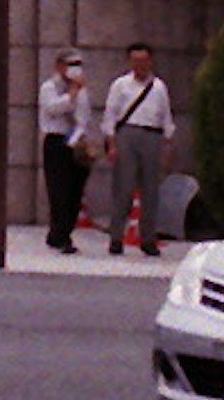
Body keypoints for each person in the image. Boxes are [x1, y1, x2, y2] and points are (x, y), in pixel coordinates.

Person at [94, 41, 177, 258]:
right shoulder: (120, 85)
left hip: (153, 136)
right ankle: (116, 238)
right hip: (127, 135)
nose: (139, 64)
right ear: (129, 62)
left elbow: (166, 118)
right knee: (123, 188)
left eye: (143, 60)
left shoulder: (159, 87)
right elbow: (110, 117)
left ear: (150, 61)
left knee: (151, 191)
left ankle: (148, 239)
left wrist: (167, 147)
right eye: (135, 60)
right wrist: (111, 144)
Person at [37, 51, 97, 254]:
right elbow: (52, 109)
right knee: (58, 189)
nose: (74, 68)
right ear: (59, 66)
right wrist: (70, 94)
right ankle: (59, 234)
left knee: (75, 189)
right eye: (70, 64)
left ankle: (64, 231)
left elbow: (84, 115)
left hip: (75, 140)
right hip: (56, 140)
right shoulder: (49, 87)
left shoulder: (81, 90)